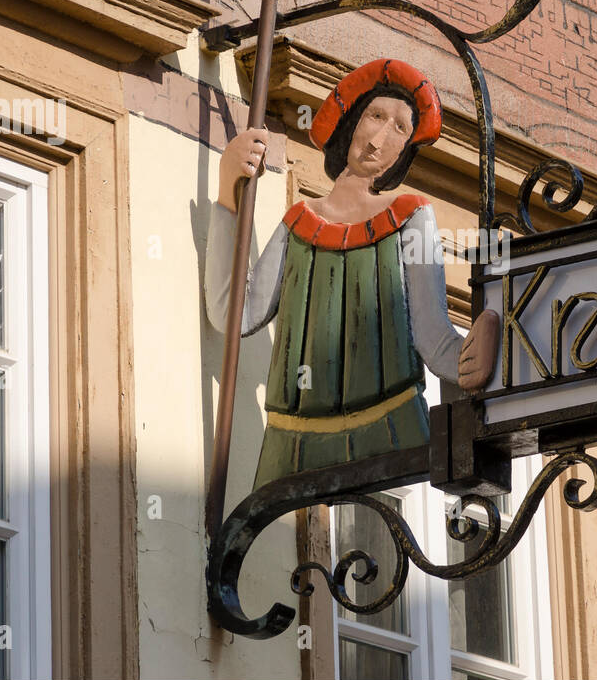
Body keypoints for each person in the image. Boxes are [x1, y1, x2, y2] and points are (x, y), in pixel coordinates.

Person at [205, 59, 499, 489]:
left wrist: (470, 359)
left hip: (389, 425)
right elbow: (233, 312)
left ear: (405, 151)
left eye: (400, 128)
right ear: (349, 123)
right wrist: (227, 190)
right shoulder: (298, 221)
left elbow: (432, 334)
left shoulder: (410, 217)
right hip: (293, 438)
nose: (380, 139)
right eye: (375, 116)